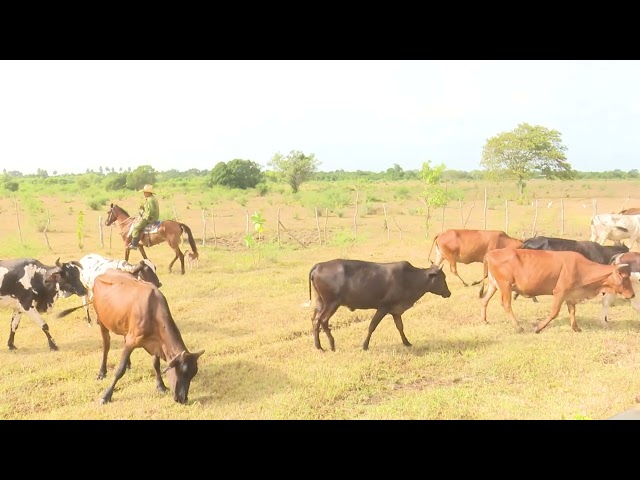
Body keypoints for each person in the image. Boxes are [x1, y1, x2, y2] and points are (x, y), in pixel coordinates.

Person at [128, 184, 160, 249]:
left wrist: (145, 217)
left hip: (150, 218)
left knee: (136, 227)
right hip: (153, 217)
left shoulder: (150, 200)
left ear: (148, 192)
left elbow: (151, 210)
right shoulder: (151, 198)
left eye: (145, 192)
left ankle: (134, 244)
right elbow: (148, 208)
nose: (144, 194)